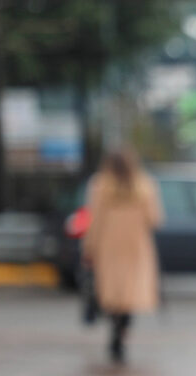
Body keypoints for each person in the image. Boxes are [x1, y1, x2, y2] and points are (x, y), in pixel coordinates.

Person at [82, 147, 163, 364]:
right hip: (136, 246)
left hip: (109, 246)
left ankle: (115, 328)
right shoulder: (145, 186)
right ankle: (122, 332)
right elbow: (155, 219)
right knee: (130, 293)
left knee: (113, 292)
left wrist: (89, 248)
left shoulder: (100, 185)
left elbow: (95, 221)